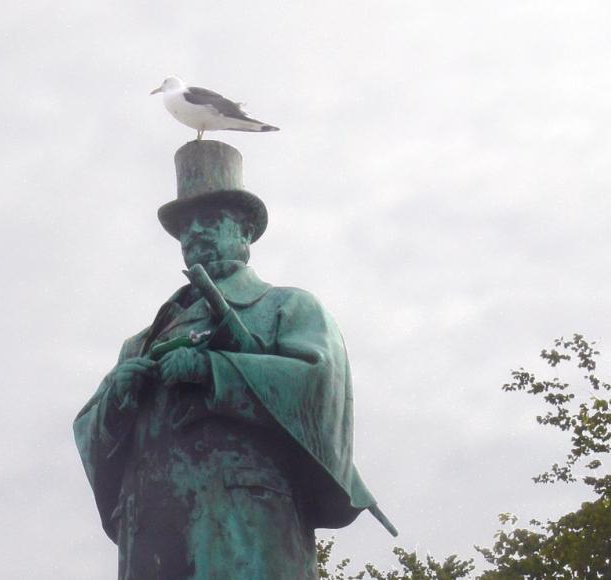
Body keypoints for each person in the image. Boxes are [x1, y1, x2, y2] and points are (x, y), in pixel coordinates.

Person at [74, 141, 394, 580]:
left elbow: (317, 385)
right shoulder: (140, 343)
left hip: (246, 522)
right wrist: (118, 399)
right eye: (186, 227)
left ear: (245, 232)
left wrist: (213, 371)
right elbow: (90, 431)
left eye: (210, 221)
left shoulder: (287, 308)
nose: (195, 234)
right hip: (152, 526)